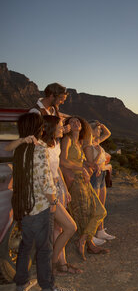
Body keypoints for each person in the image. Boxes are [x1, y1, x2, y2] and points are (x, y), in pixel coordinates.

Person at [11, 112, 75, 291]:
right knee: (45, 249)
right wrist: (54, 202)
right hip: (40, 206)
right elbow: (46, 182)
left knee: (25, 246)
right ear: (37, 128)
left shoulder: (20, 149)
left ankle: (21, 284)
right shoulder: (39, 150)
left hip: (25, 205)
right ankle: (48, 289)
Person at [60, 116, 108, 260]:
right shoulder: (67, 140)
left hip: (83, 179)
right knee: (83, 213)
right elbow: (63, 161)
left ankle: (82, 240)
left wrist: (91, 165)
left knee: (100, 211)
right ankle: (90, 245)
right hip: (75, 181)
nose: (76, 123)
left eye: (78, 121)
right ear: (67, 126)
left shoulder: (79, 142)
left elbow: (79, 161)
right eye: (72, 122)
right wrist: (82, 167)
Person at [41, 115, 82, 275]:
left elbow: (57, 167)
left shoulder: (55, 143)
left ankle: (62, 264)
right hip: (48, 190)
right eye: (61, 125)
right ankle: (51, 265)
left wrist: (64, 188)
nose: (64, 128)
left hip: (58, 186)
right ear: (52, 128)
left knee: (59, 228)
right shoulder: (43, 147)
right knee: (69, 227)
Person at [86, 121, 115, 245]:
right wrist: (98, 153)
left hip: (102, 175)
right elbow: (92, 162)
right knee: (94, 207)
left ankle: (100, 230)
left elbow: (108, 133)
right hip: (94, 177)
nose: (100, 131)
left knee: (102, 206)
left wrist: (102, 125)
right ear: (91, 130)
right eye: (98, 129)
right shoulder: (88, 145)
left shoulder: (97, 142)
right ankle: (90, 234)